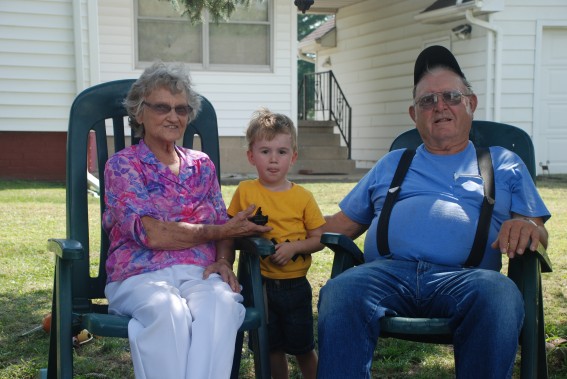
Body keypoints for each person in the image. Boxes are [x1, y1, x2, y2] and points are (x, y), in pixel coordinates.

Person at [316, 45, 551, 379]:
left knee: (499, 294)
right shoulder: (394, 162)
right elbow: (340, 226)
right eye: (427, 100)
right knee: (340, 291)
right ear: (414, 115)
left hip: (467, 279)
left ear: (471, 103)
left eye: (451, 96)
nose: (440, 106)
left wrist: (527, 227)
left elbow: (536, 228)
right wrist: (284, 229)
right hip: (385, 275)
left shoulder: (503, 163)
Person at [102, 61, 271, 379]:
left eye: (181, 109)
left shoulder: (202, 165)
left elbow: (222, 221)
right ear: (140, 112)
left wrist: (223, 261)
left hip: (199, 271)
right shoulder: (122, 166)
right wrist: (220, 230)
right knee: (169, 312)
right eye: (162, 107)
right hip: (139, 275)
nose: (173, 116)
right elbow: (150, 233)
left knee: (221, 306)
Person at [227, 108, 325, 379]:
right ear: (251, 156)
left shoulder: (302, 197)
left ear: (293, 157)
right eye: (265, 151)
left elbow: (318, 238)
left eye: (281, 152)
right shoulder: (246, 192)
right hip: (261, 285)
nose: (273, 160)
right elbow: (230, 230)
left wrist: (295, 247)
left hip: (296, 286)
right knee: (269, 347)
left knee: (304, 347)